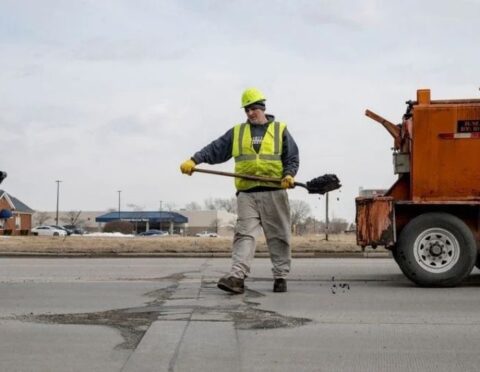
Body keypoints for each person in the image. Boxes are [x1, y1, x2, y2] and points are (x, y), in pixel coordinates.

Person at [180, 87, 299, 294]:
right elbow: (216, 148)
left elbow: (291, 157)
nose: (250, 113)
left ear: (262, 108)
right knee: (244, 235)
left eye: (253, 108)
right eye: (247, 110)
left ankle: (280, 277)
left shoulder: (280, 130)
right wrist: (194, 159)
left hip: (274, 192)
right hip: (247, 194)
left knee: (279, 235)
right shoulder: (238, 132)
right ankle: (237, 277)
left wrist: (289, 174)